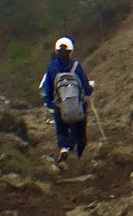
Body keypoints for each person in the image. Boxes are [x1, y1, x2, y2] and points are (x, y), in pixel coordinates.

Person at [41, 36, 95, 166]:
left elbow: (47, 88)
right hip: (78, 106)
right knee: (80, 134)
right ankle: (81, 161)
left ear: (56, 51)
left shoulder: (52, 67)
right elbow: (86, 90)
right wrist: (91, 88)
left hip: (59, 106)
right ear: (71, 51)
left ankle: (65, 149)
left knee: (62, 132)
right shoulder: (77, 66)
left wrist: (50, 105)